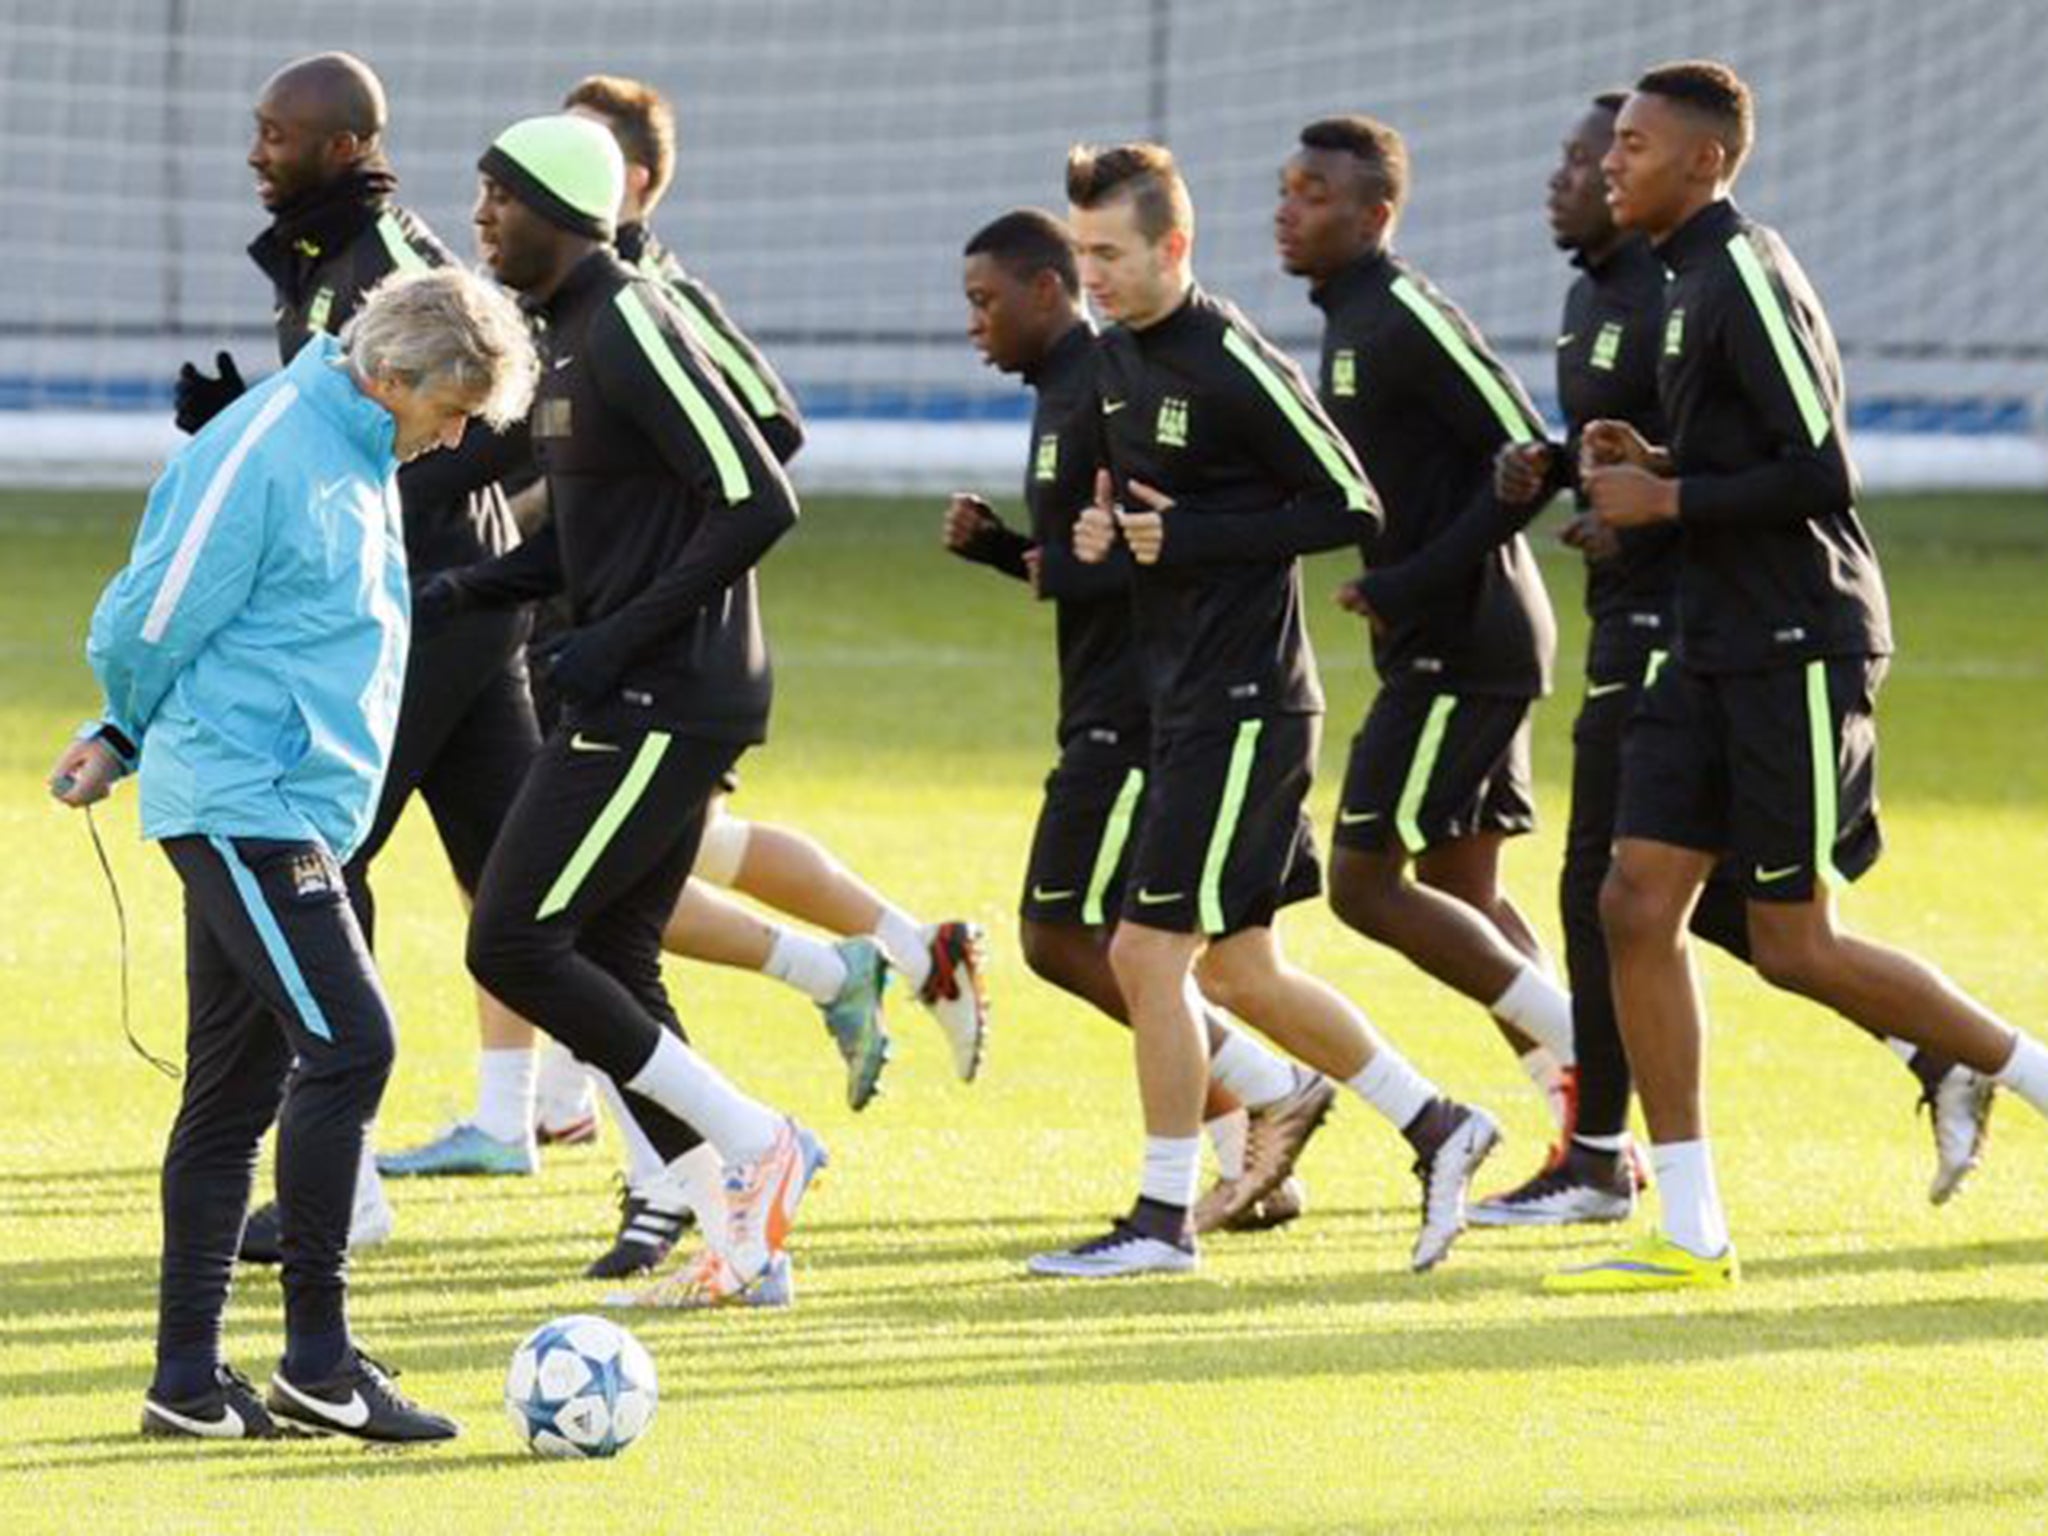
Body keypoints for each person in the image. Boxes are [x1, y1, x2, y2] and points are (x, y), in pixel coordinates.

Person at [1550, 61, 2048, 1292]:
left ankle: (2016, 1071)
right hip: (1705, 636)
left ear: (1706, 160)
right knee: (1630, 901)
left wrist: (1665, 495)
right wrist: (1651, 466)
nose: (1612, 160)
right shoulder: (1673, 284)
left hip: (1794, 640)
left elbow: (1824, 470)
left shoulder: (1742, 272)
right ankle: (1689, 1228)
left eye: (1635, 144)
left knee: (1794, 945)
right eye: (1611, 143)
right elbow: (1742, 459)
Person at [54, 266, 537, 1441]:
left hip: (283, 803)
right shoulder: (269, 446)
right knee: (351, 1041)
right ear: (393, 376)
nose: (456, 438)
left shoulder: (357, 442)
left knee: (233, 1090)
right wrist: (121, 724)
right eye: (454, 413)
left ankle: (186, 1386)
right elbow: (150, 613)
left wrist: (125, 735)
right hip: (242, 801)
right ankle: (319, 1360)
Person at [1026, 143, 1501, 1280]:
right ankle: (1439, 1123)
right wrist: (1101, 539)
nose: (1090, 273)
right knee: (1239, 972)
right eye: (1080, 250)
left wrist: (1182, 538)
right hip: (1186, 700)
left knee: (1146, 954)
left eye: (1110, 252)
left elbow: (1347, 502)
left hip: (1247, 707)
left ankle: (1156, 1220)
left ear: (1172, 247)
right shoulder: (1111, 364)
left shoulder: (1227, 355)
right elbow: (1137, 515)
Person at [174, 51, 544, 1261]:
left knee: (314, 861)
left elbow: (505, 419)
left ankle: (353, 1191)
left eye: (274, 133)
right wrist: (242, 414)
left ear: (340, 146)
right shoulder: (327, 254)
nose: (253, 152)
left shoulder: (397, 269)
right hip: (444, 610)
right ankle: (712, 1152)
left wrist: (385, 473)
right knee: (530, 904)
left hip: (426, 607)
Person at [452, 113, 821, 1309]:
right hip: (640, 684)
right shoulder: (559, 341)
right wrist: (458, 586)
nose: (479, 217)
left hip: (670, 692)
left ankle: (758, 1143)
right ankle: (742, 1239)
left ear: (561, 206)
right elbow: (585, 535)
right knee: (613, 951)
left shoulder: (629, 321)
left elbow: (757, 496)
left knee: (510, 938)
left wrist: (618, 635)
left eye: (497, 195)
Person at [942, 207, 1332, 1235]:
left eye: (986, 301)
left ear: (1047, 290)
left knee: (1102, 944)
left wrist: (1132, 544)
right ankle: (1263, 1139)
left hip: (1147, 714)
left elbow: (1141, 552)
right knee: (1138, 950)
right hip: (1135, 706)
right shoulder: (1083, 383)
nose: (973, 324)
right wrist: (1011, 553)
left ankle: (1269, 1117)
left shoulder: (1111, 379)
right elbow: (1093, 557)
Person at [1273, 116, 1579, 1138]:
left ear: (1376, 213)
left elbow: (1529, 456)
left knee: (1361, 883)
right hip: (1445, 632)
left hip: (1467, 637)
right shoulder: (1344, 316)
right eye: (1286, 187)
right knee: (1464, 893)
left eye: (1314, 193)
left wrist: (1412, 580)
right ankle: (1589, 1131)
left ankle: (1595, 1058)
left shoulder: (1402, 309)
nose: (1288, 208)